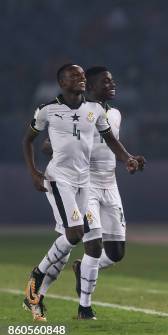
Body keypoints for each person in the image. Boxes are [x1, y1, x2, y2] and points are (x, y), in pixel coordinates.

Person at [22, 64, 145, 321]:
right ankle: (80, 305)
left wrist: (128, 159)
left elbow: (112, 141)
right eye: (106, 82)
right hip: (70, 181)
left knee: (107, 251)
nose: (112, 85)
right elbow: (40, 142)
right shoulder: (54, 110)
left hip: (101, 184)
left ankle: (43, 284)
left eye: (113, 81)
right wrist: (38, 167)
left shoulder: (104, 113)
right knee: (83, 240)